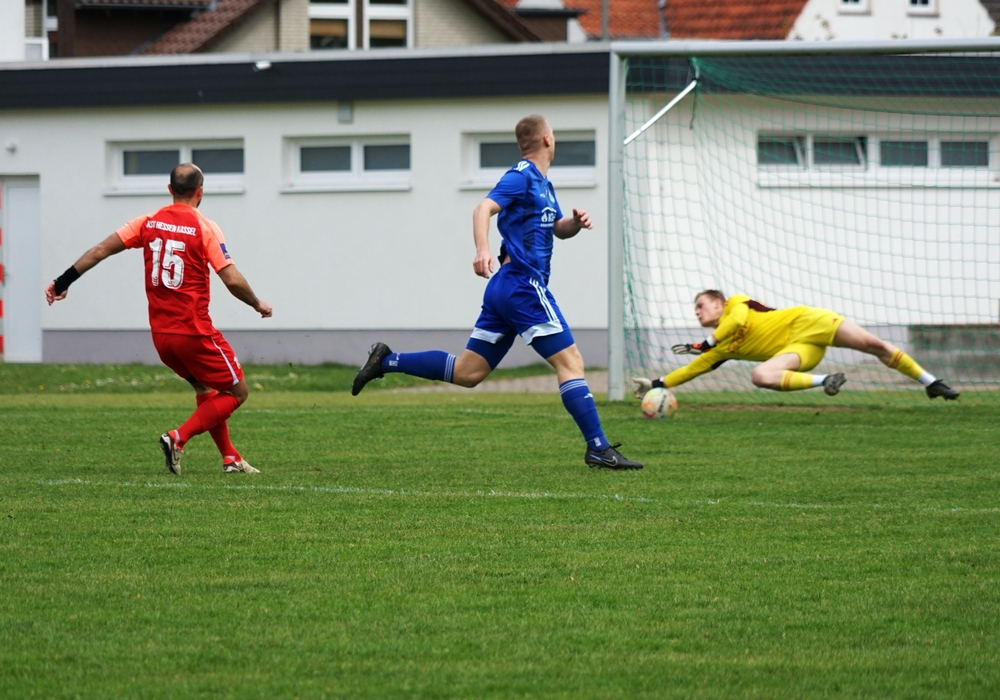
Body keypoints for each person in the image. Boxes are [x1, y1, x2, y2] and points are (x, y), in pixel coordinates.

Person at [351, 115, 642, 470]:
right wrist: (482, 249)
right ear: (547, 139)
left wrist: (575, 224)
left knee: (468, 373)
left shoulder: (543, 185)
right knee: (572, 363)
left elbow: (557, 229)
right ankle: (598, 447)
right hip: (522, 284)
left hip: (506, 288)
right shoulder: (521, 176)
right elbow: (483, 208)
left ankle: (386, 360)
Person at [46, 163, 273, 475]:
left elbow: (100, 250)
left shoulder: (148, 222)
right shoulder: (205, 227)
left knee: (204, 389)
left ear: (170, 190)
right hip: (194, 332)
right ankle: (178, 438)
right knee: (238, 392)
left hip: (162, 338)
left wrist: (62, 282)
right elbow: (231, 279)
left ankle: (230, 458)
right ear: (200, 192)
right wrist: (258, 303)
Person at [632, 290, 960, 400]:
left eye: (701, 305)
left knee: (872, 343)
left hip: (809, 322)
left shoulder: (736, 304)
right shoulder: (721, 349)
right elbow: (693, 369)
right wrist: (656, 384)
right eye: (695, 309)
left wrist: (706, 342)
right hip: (798, 351)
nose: (697, 311)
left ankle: (931, 383)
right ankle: (826, 381)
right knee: (760, 376)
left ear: (718, 302)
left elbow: (738, 321)